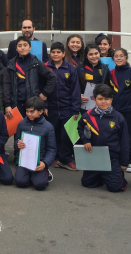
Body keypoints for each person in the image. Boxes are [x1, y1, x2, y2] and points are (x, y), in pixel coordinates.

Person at [78, 84, 129, 193]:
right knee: (87, 183)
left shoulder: (119, 118)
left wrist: (124, 163)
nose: (103, 102)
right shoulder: (87, 116)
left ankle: (118, 175)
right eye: (100, 99)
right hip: (94, 156)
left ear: (111, 100)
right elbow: (80, 128)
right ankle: (103, 175)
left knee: (115, 187)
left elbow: (124, 141)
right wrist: (86, 140)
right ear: (95, 99)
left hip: (112, 158)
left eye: (107, 99)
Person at [45, 42, 80, 171]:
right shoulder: (45, 67)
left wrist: (75, 108)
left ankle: (65, 159)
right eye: (53, 52)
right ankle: (54, 158)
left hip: (67, 108)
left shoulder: (70, 69)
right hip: (51, 108)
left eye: (58, 52)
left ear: (64, 54)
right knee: (53, 134)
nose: (55, 54)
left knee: (67, 135)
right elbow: (43, 89)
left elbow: (75, 90)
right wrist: (45, 105)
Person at [3, 36, 56, 119]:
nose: (22, 48)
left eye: (25, 45)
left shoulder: (36, 62)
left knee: (32, 130)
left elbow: (52, 77)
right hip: (16, 105)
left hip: (33, 105)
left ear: (30, 47)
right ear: (16, 48)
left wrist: (45, 93)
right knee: (17, 130)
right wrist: (7, 105)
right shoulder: (11, 64)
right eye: (19, 46)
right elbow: (6, 85)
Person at [110, 48, 131, 173]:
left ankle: (130, 161)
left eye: (121, 56)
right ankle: (118, 159)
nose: (118, 58)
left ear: (126, 58)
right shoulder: (111, 73)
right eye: (116, 56)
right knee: (116, 135)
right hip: (115, 111)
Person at [14, 96, 56, 191]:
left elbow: (52, 149)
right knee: (20, 182)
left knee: (40, 185)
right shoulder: (21, 124)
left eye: (32, 111)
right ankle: (27, 175)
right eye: (27, 111)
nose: (29, 114)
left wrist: (44, 163)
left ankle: (45, 172)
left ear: (41, 111)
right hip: (24, 161)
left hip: (39, 162)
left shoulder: (48, 127)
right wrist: (17, 144)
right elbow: (16, 141)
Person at [78, 44, 110, 112]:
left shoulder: (105, 68)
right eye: (91, 54)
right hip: (84, 104)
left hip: (101, 103)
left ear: (99, 53)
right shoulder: (79, 67)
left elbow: (108, 85)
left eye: (96, 53)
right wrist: (78, 96)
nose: (94, 56)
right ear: (86, 56)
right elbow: (74, 85)